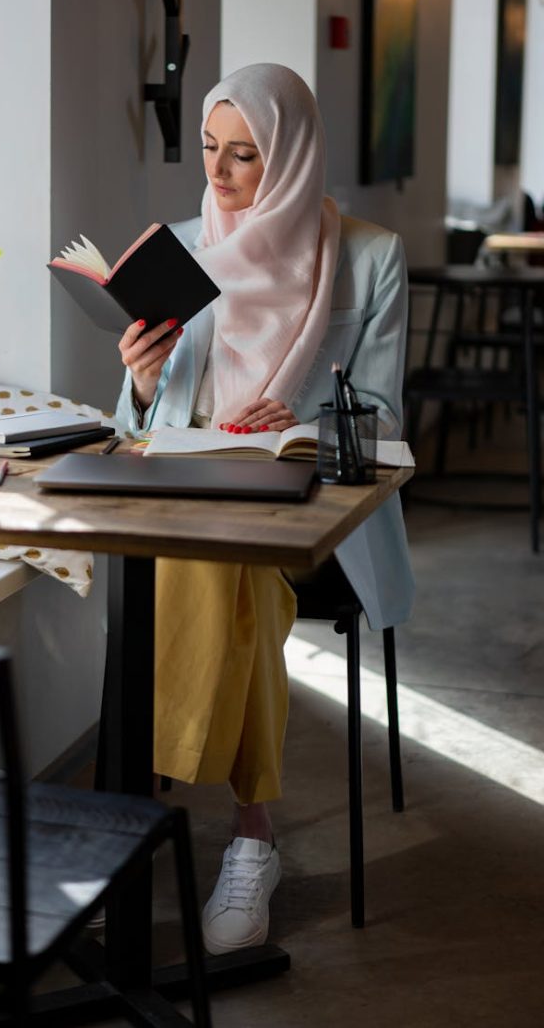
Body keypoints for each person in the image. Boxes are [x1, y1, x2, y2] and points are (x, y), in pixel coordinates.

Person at [114, 62, 414, 955]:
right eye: (210, 148)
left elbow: (391, 423)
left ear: (288, 157)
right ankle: (250, 835)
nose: (219, 173)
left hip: (311, 505)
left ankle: (157, 822)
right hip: (190, 490)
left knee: (219, 564)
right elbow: (139, 419)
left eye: (245, 155)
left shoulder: (368, 256)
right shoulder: (178, 246)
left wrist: (316, 420)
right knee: (206, 556)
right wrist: (136, 382)